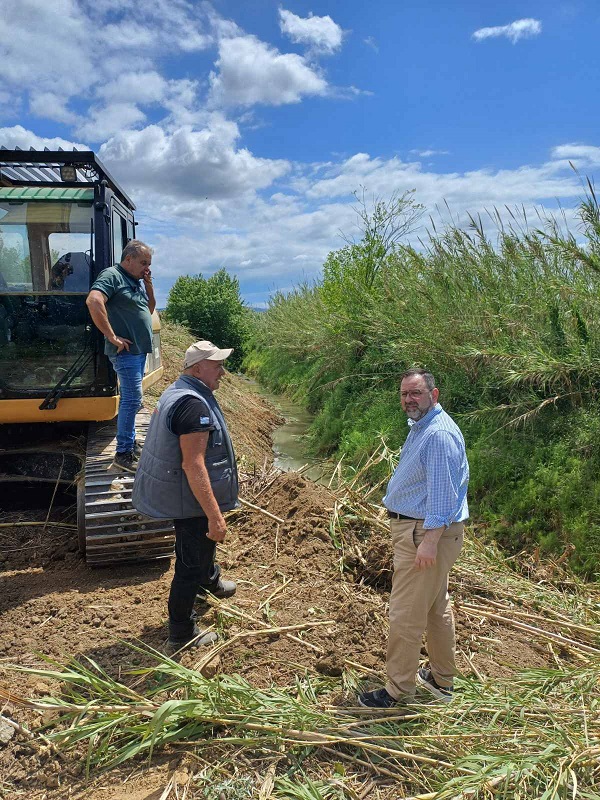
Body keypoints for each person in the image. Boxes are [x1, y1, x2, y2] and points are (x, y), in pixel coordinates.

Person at [358, 368, 469, 709]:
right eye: (405, 394)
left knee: (405, 614)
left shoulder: (437, 435)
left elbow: (442, 497)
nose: (409, 400)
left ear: (434, 396)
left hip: (424, 532)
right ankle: (441, 679)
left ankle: (398, 691)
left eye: (416, 393)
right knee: (436, 607)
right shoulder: (424, 427)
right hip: (424, 531)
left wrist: (429, 542)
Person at [132, 340, 239, 652]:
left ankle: (210, 581)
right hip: (190, 500)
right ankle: (182, 630)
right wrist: (215, 516)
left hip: (186, 496)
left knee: (201, 548)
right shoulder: (192, 405)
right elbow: (193, 465)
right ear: (198, 368)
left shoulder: (182, 390)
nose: (223, 370)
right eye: (217, 365)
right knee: (190, 562)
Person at [86, 240, 155, 473]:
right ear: (128, 259)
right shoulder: (113, 275)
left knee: (131, 398)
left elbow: (150, 309)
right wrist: (113, 336)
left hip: (137, 352)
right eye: (143, 263)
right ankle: (123, 453)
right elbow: (94, 300)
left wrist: (148, 284)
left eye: (149, 264)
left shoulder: (134, 282)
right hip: (125, 353)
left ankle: (130, 443)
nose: (147, 267)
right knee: (132, 399)